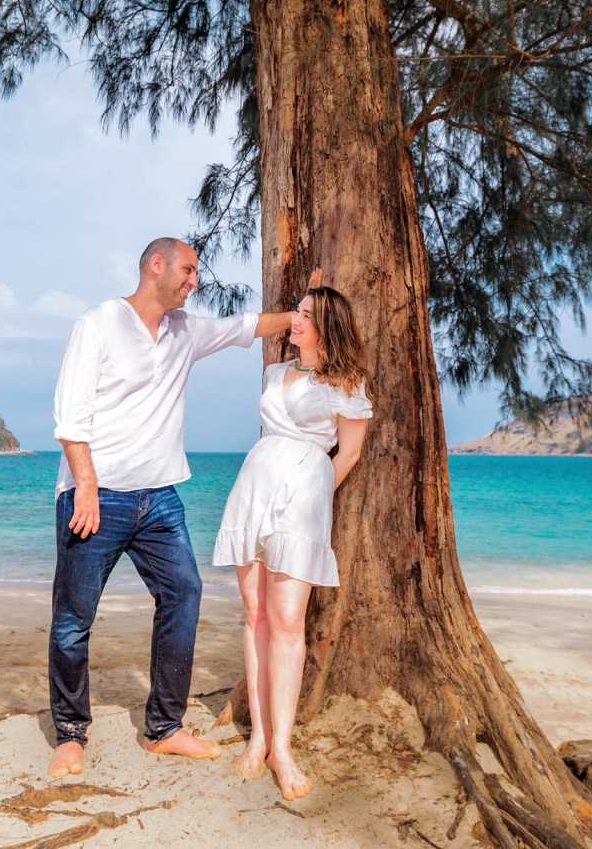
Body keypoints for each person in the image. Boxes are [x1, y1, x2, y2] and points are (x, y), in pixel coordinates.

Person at [47, 237, 293, 779]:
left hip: (160, 498)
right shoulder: (100, 323)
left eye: (196, 272)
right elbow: (70, 416)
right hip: (97, 496)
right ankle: (69, 734)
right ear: (155, 265)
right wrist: (85, 486)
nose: (194, 280)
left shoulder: (186, 330)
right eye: (188, 269)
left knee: (184, 592)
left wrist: (302, 314)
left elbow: (245, 325)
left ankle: (164, 728)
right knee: (73, 619)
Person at [211, 286, 372, 800]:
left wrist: (311, 490)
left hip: (303, 498)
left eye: (304, 315)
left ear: (327, 324)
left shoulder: (348, 382)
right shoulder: (273, 372)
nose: (293, 320)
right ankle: (258, 736)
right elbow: (268, 432)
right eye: (296, 313)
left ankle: (283, 746)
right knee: (255, 615)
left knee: (286, 622)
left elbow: (346, 455)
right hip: (253, 485)